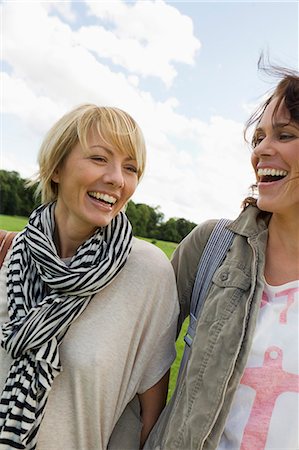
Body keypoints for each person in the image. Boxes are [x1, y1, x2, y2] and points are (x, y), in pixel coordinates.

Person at [0, 105, 179, 450]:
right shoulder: (8, 254)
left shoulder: (148, 273)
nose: (116, 178)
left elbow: (150, 422)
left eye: (130, 168)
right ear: (55, 168)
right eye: (99, 159)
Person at [145, 62, 299, 449]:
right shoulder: (211, 247)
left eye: (285, 134)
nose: (262, 149)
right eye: (259, 137)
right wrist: (42, 244)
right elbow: (132, 335)